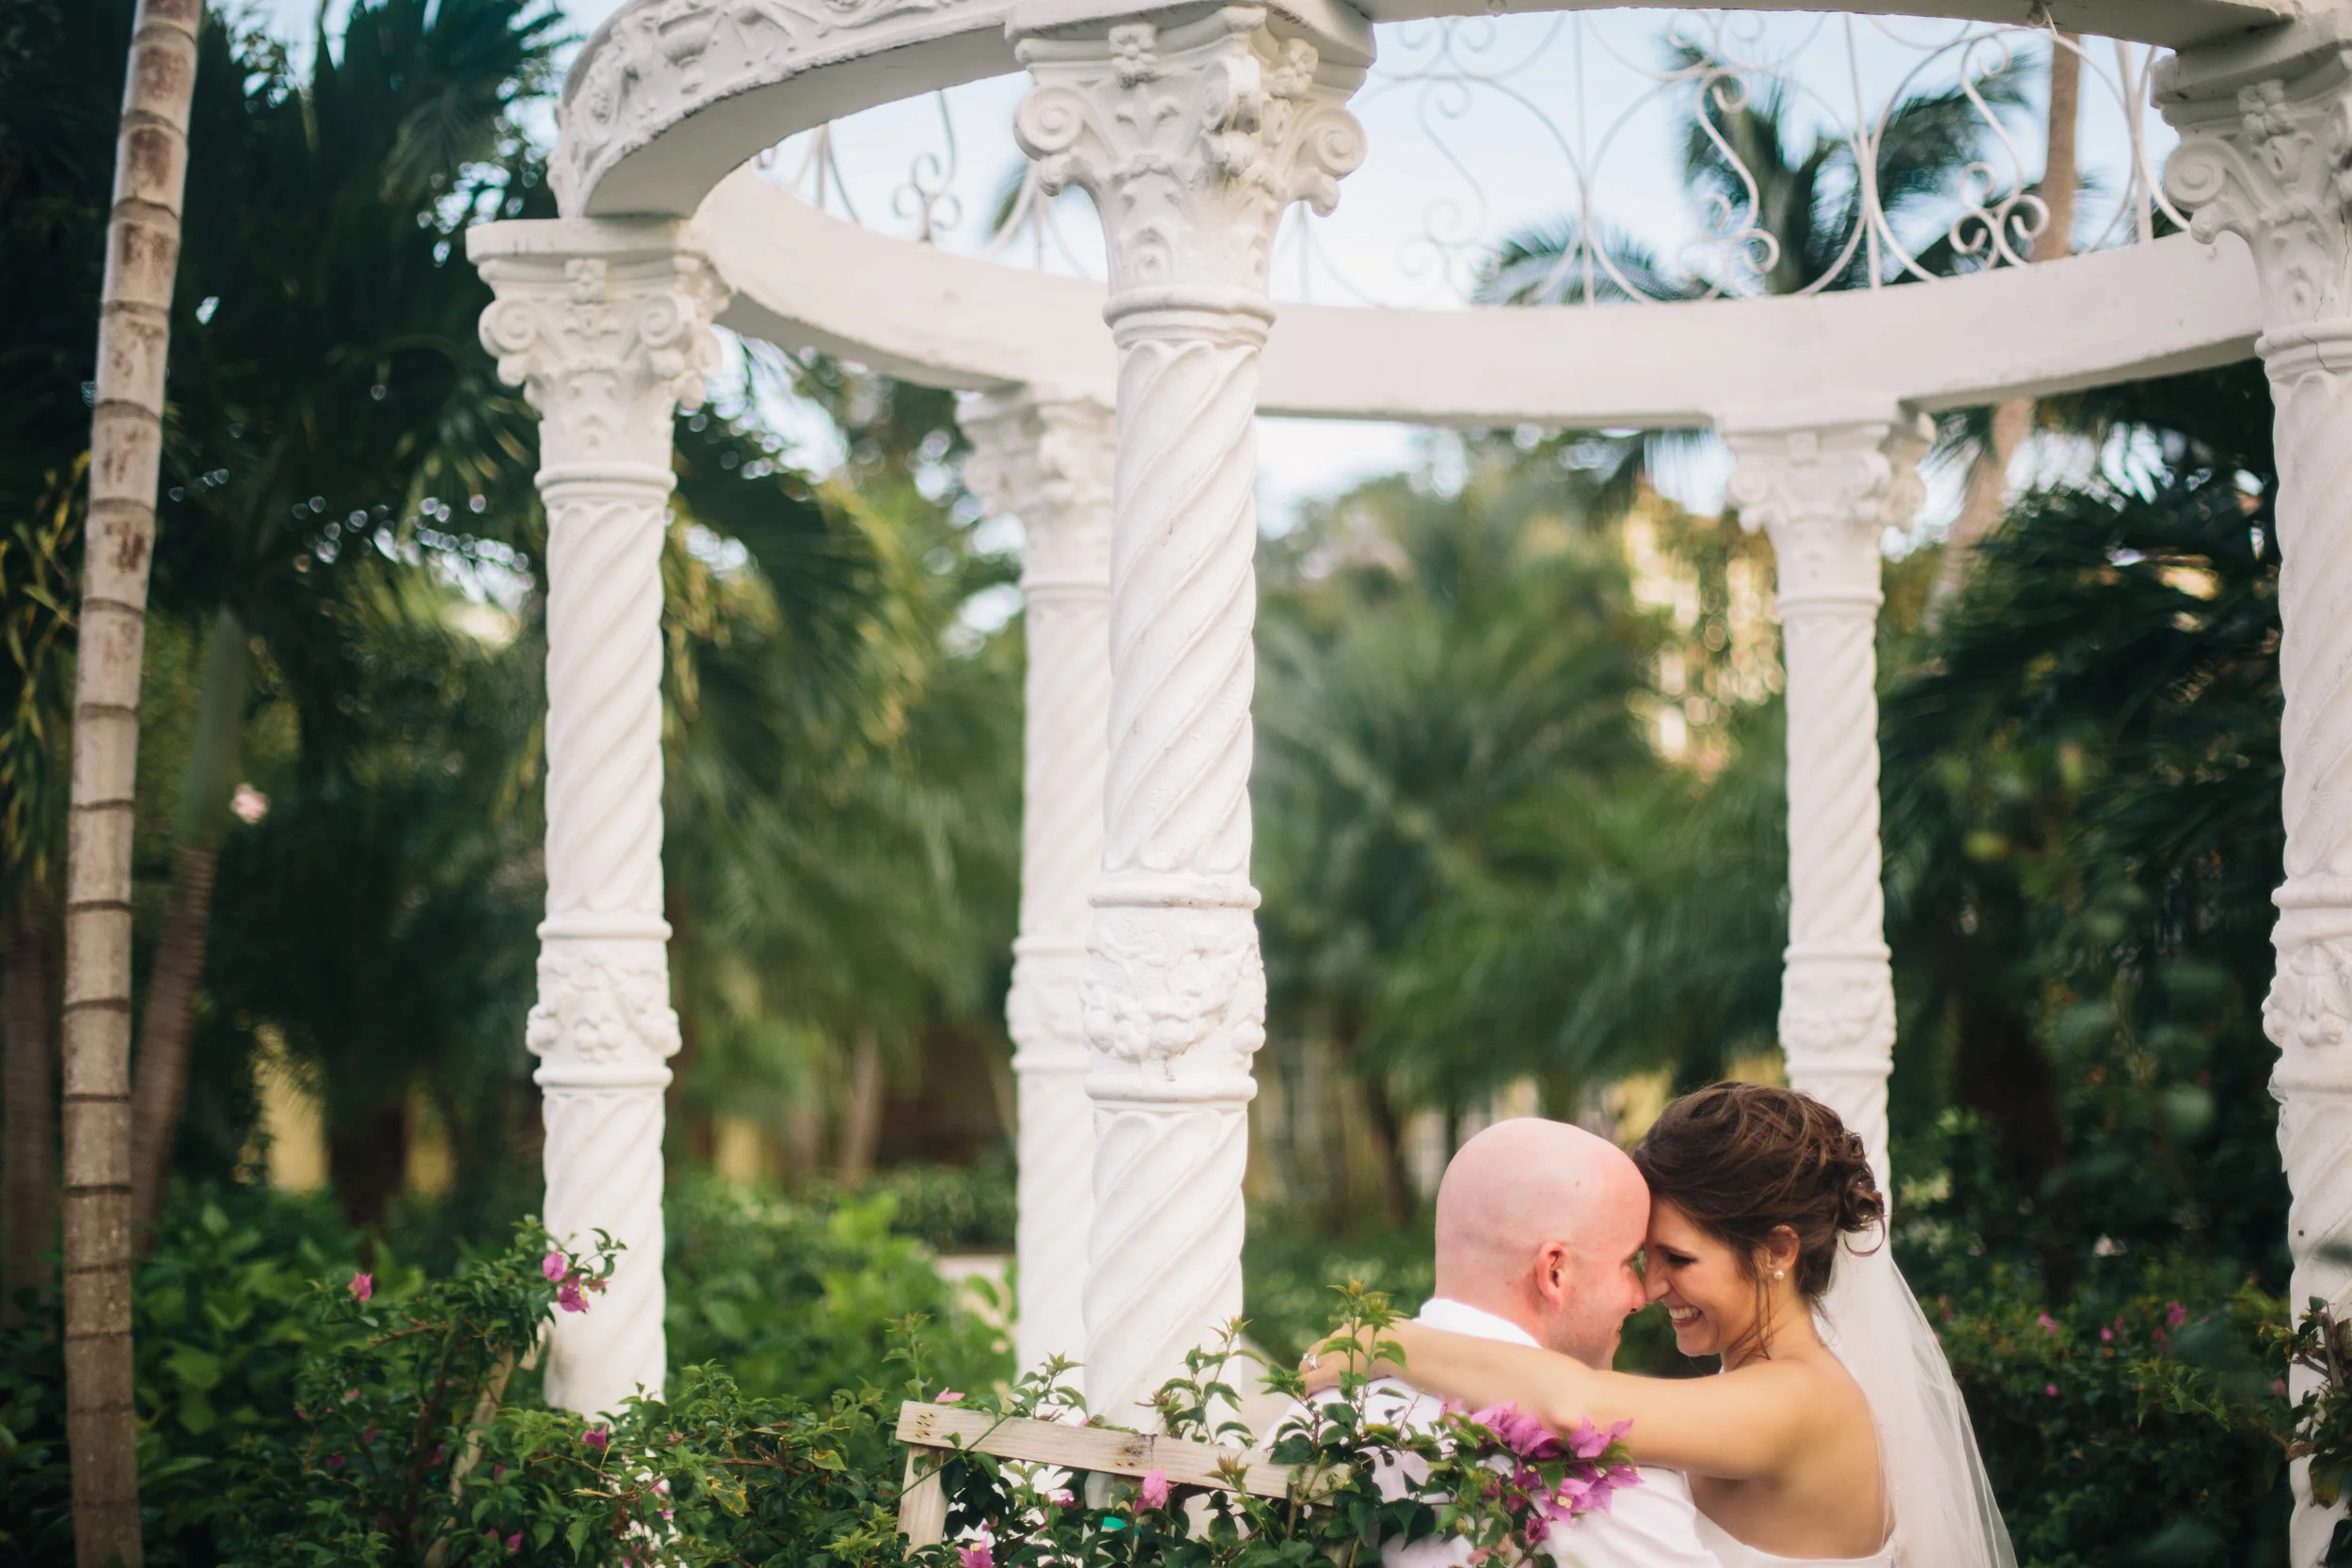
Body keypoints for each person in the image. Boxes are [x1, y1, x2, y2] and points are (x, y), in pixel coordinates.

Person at [1301, 1085, 2015, 1568]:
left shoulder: (1805, 1400)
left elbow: (1577, 1407)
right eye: (1644, 1257)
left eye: (1678, 1257)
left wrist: (1389, 1341)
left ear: (1777, 1251)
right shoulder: (1756, 1386)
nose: (1650, 1286)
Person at [1294, 1117, 1724, 1568]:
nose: (1642, 1295)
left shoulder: (1316, 1414)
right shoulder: (1598, 1479)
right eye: (1628, 1262)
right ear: (1554, 1272)